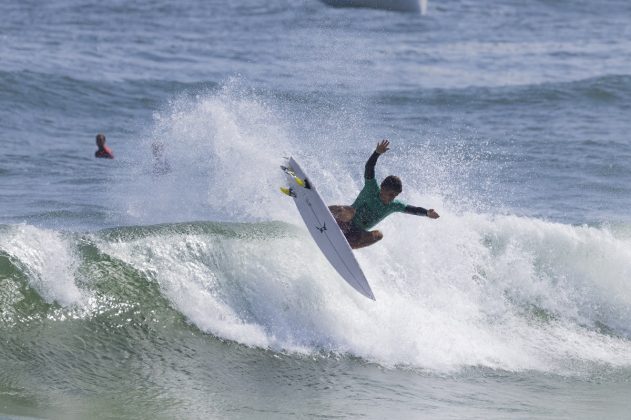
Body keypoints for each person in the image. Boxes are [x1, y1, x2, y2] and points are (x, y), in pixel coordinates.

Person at [329, 140, 439, 249]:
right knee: (350, 211)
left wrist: (427, 213)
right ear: (382, 188)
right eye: (390, 194)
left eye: (395, 195)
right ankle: (322, 211)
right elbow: (369, 168)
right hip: (344, 221)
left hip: (355, 234)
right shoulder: (371, 188)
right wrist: (376, 153)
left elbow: (413, 209)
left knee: (378, 235)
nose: (392, 198)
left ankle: (347, 247)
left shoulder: (394, 205)